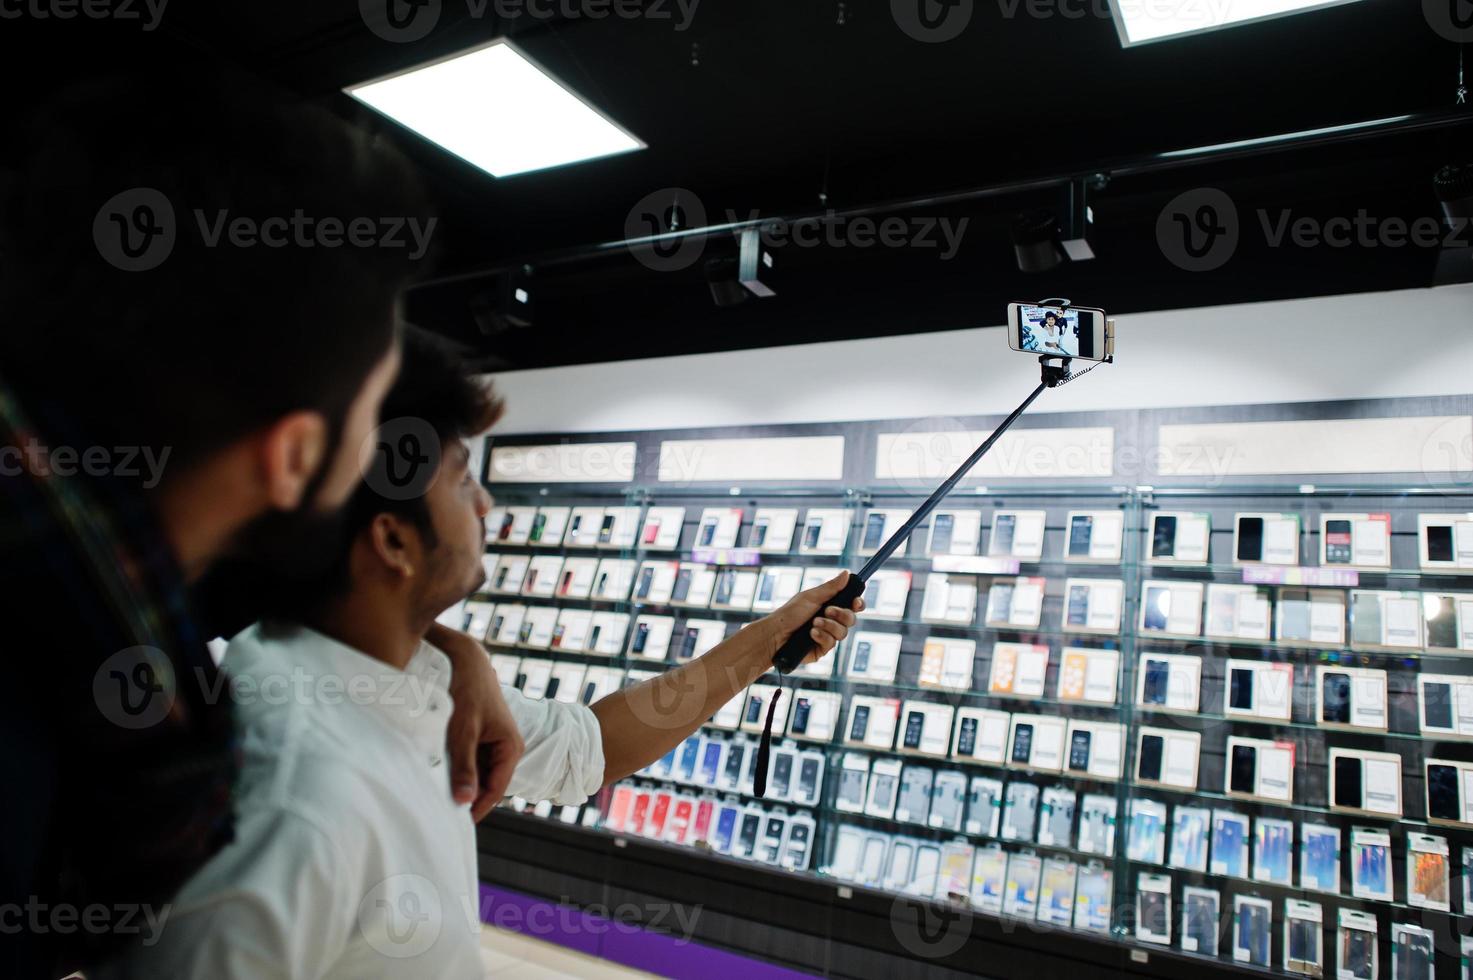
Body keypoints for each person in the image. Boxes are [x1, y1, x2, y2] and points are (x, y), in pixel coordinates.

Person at [110, 329, 864, 978]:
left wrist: (775, 636)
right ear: (393, 542)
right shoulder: (288, 795)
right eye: (463, 478)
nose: (485, 506)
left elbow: (593, 745)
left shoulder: (425, 681)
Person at [0, 71, 522, 977]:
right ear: (292, 460)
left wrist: (445, 651)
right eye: (372, 405)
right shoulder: (59, 750)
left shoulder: (80, 595)